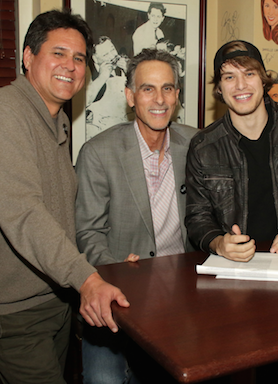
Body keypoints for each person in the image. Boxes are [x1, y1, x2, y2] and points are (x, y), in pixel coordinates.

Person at [0, 10, 129, 384]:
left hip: (52, 298)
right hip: (9, 309)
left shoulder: (56, 120)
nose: (70, 66)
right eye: (58, 53)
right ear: (28, 57)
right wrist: (87, 279)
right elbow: (23, 214)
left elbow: (62, 215)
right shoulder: (0, 112)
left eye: (79, 58)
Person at [75, 48, 197, 383]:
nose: (159, 99)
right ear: (130, 96)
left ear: (177, 95)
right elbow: (87, 232)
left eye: (168, 88)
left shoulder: (197, 144)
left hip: (181, 300)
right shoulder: (98, 153)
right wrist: (114, 266)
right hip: (117, 297)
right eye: (147, 89)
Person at [185, 40, 278, 262]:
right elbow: (198, 216)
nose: (240, 85)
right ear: (219, 88)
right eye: (229, 77)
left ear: (263, 80)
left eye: (249, 74)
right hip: (232, 267)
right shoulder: (203, 147)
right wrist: (219, 243)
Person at [86, 36, 130, 140]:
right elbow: (85, 100)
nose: (112, 56)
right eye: (105, 54)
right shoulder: (88, 73)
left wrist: (130, 72)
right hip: (102, 133)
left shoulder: (125, 65)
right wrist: (102, 77)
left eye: (112, 50)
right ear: (95, 59)